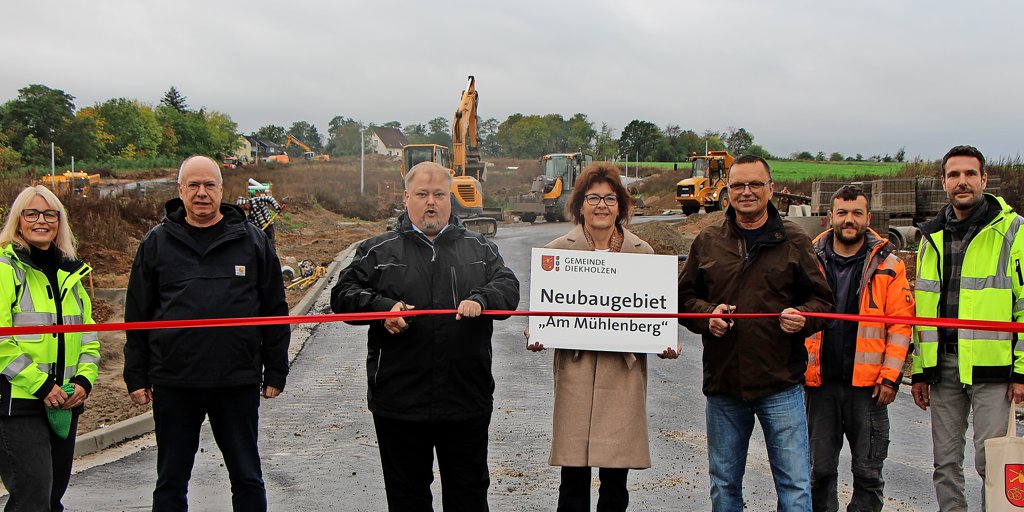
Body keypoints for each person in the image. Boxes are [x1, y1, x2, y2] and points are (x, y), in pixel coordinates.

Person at [331, 161, 520, 511]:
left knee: (468, 495)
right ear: (406, 198)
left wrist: (482, 299)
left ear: (450, 199)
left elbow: (508, 288)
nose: (430, 202)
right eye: (422, 194)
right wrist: (382, 308)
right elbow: (342, 295)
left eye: (439, 194)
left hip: (465, 397)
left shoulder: (480, 249)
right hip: (400, 400)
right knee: (408, 498)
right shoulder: (378, 250)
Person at [123, 155, 290, 512]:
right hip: (174, 381)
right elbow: (137, 313)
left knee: (247, 476)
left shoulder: (252, 242)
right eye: (194, 185)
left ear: (222, 189)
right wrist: (136, 374)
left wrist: (276, 369)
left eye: (209, 185)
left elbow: (275, 309)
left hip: (236, 381)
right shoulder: (156, 244)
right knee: (171, 480)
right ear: (180, 190)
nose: (202, 193)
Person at [678, 154, 833, 511]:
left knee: (794, 487)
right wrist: (707, 316)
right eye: (738, 185)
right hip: (724, 385)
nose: (746, 192)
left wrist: (803, 318)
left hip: (780, 383)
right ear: (728, 190)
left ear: (771, 189)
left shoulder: (794, 240)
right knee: (724, 485)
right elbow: (684, 298)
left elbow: (823, 302)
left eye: (755, 184)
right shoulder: (708, 240)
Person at [525, 162, 679, 511]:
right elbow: (545, 312)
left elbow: (656, 314)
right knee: (573, 480)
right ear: (580, 204)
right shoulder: (558, 252)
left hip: (622, 377)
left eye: (610, 198)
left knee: (614, 484)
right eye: (593, 197)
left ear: (621, 207)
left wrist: (666, 339)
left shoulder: (644, 255)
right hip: (576, 374)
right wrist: (535, 332)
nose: (601, 205)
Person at [910, 145, 1024, 511]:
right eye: (954, 175)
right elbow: (924, 309)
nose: (963, 182)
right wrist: (921, 371)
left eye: (970, 174)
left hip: (994, 369)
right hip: (943, 369)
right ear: (943, 182)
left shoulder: (1013, 231)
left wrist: (1021, 370)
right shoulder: (932, 237)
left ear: (984, 180)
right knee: (945, 465)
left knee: (992, 464)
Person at [803, 185, 915, 512]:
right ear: (830, 217)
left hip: (868, 390)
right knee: (819, 472)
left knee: (867, 473)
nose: (848, 220)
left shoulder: (890, 265)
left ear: (868, 217)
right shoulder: (809, 260)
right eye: (842, 213)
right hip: (820, 386)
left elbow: (900, 325)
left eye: (856, 213)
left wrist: (891, 377)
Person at [0, 185, 100, 512]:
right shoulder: (6, 268)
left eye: (49, 214)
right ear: (18, 220)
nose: (41, 220)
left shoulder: (70, 271)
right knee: (32, 498)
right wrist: (40, 385)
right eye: (31, 213)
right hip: (18, 402)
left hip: (64, 402)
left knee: (52, 496)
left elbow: (88, 337)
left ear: (60, 221)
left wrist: (84, 381)